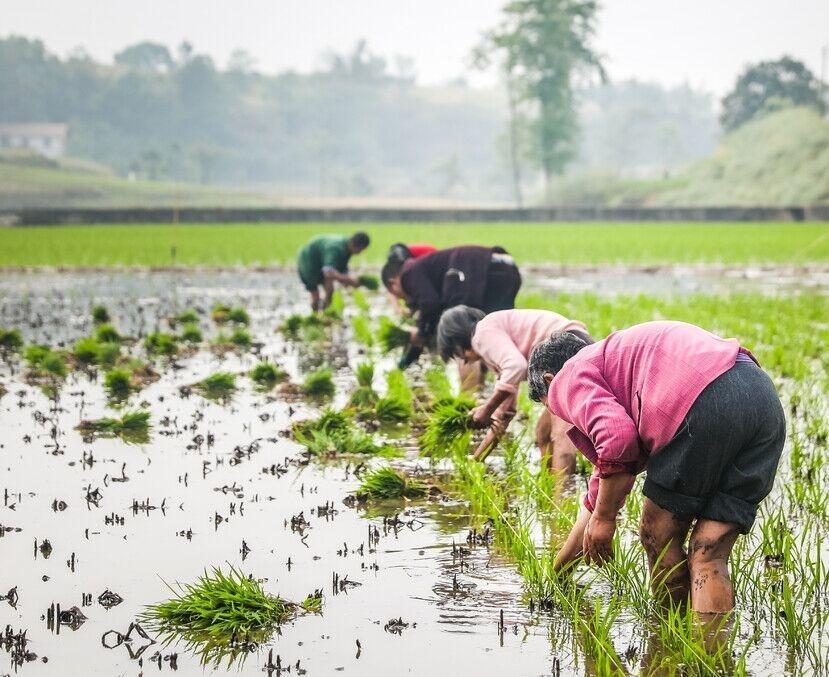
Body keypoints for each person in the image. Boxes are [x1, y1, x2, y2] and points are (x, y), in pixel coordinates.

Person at [527, 321, 785, 614]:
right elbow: (606, 475)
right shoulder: (617, 365)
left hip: (703, 402)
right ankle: (710, 657)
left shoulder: (570, 373)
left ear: (550, 380)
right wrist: (559, 574)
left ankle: (667, 638)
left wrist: (606, 518)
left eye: (550, 406)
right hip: (762, 400)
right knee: (708, 553)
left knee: (658, 535)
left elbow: (617, 440)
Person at [436, 305, 591, 473]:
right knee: (543, 433)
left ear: (457, 342)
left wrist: (487, 409)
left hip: (565, 349)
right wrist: (477, 459)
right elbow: (504, 413)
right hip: (570, 347)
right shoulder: (494, 345)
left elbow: (517, 366)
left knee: (562, 437)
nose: (465, 361)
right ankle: (550, 483)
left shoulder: (482, 333)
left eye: (460, 356)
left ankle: (560, 496)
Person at [381, 245, 521, 368]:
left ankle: (471, 391)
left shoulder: (408, 273)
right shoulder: (421, 268)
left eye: (396, 294)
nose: (402, 299)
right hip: (506, 265)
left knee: (465, 337)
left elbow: (430, 303)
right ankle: (501, 380)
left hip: (486, 270)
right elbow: (433, 307)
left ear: (393, 283)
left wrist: (420, 333)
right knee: (493, 331)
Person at [297, 232, 370, 312]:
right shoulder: (335, 248)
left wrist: (349, 281)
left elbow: (341, 269)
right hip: (309, 263)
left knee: (330, 290)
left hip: (323, 263)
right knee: (315, 295)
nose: (360, 253)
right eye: (361, 250)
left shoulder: (347, 249)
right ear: (355, 245)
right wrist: (349, 280)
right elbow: (328, 273)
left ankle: (325, 313)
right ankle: (316, 314)